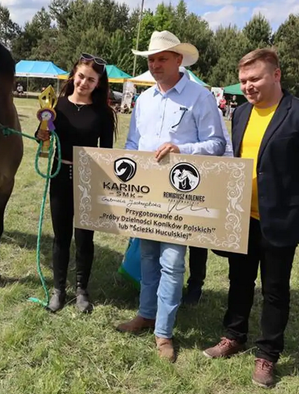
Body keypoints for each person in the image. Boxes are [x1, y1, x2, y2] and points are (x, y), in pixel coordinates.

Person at [202, 48, 299, 388]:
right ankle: (233, 336)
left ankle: (267, 355)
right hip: (241, 217)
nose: (248, 86)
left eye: (255, 78)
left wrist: (294, 203)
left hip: (280, 222)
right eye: (243, 80)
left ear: (276, 75)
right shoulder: (242, 113)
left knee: (275, 290)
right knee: (239, 280)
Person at [115, 30, 227, 362]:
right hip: (147, 195)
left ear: (179, 59)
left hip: (182, 195)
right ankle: (146, 315)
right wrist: (128, 166)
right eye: (151, 59)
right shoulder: (144, 99)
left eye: (162, 58)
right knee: (147, 257)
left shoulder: (200, 96)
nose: (155, 64)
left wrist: (183, 149)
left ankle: (163, 333)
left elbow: (217, 145)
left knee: (173, 263)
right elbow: (133, 143)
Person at [35, 53, 117, 313]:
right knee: (61, 236)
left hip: (88, 180)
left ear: (98, 83)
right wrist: (42, 131)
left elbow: (107, 152)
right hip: (60, 177)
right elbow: (44, 143)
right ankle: (59, 289)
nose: (84, 83)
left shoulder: (103, 113)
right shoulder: (56, 106)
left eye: (91, 80)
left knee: (84, 238)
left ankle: (82, 290)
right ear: (73, 75)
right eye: (81, 76)